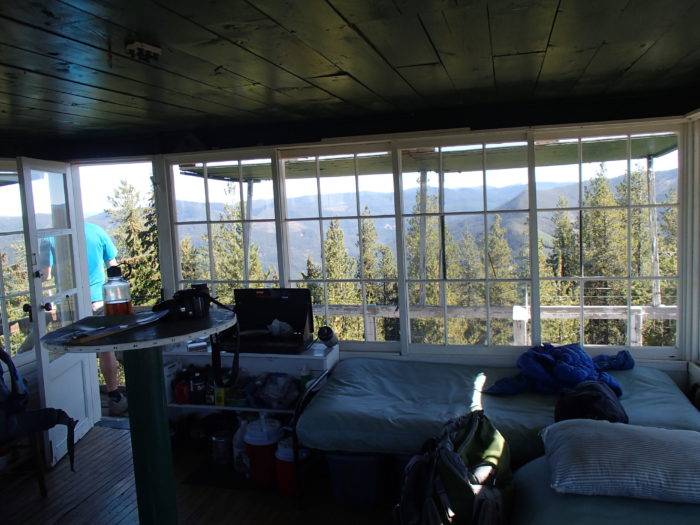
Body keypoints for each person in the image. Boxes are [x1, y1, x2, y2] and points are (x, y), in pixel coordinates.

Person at [39, 223, 127, 416]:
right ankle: (114, 396)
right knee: (106, 349)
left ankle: (74, 400)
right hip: (98, 300)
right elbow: (113, 267)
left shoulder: (49, 236)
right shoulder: (97, 230)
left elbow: (44, 274)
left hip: (69, 303)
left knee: (67, 348)